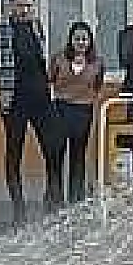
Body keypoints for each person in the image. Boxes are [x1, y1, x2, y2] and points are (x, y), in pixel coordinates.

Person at [0, 0, 62, 224]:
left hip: (40, 97)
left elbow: (41, 60)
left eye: (29, 5)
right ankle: (19, 207)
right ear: (10, 6)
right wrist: (1, 90)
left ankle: (52, 197)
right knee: (14, 149)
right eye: (20, 5)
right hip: (14, 98)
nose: (25, 10)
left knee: (53, 146)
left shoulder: (37, 27)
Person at [49, 20, 105, 203]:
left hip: (83, 110)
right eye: (77, 38)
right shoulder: (59, 58)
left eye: (84, 39)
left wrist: (85, 99)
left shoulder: (97, 62)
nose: (80, 42)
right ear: (70, 40)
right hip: (61, 109)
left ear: (90, 42)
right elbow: (50, 80)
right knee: (57, 153)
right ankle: (54, 198)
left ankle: (76, 198)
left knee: (78, 154)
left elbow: (97, 86)